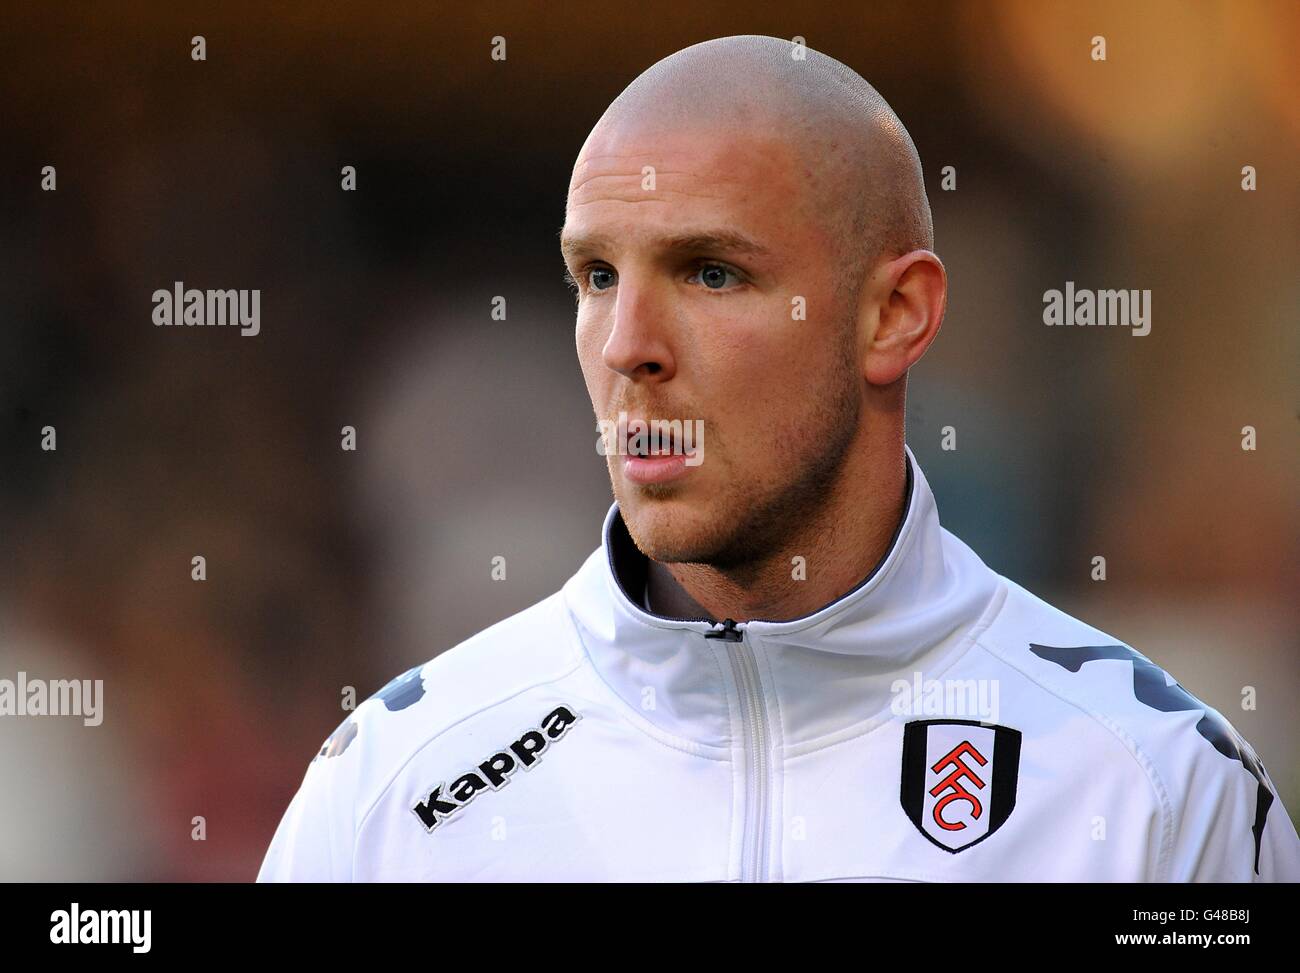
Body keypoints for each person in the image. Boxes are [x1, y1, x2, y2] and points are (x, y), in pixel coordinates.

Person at [257, 35, 1298, 882]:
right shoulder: (393, 786)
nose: (628, 345)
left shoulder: (1152, 786)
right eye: (597, 275)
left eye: (709, 272)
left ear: (894, 315)